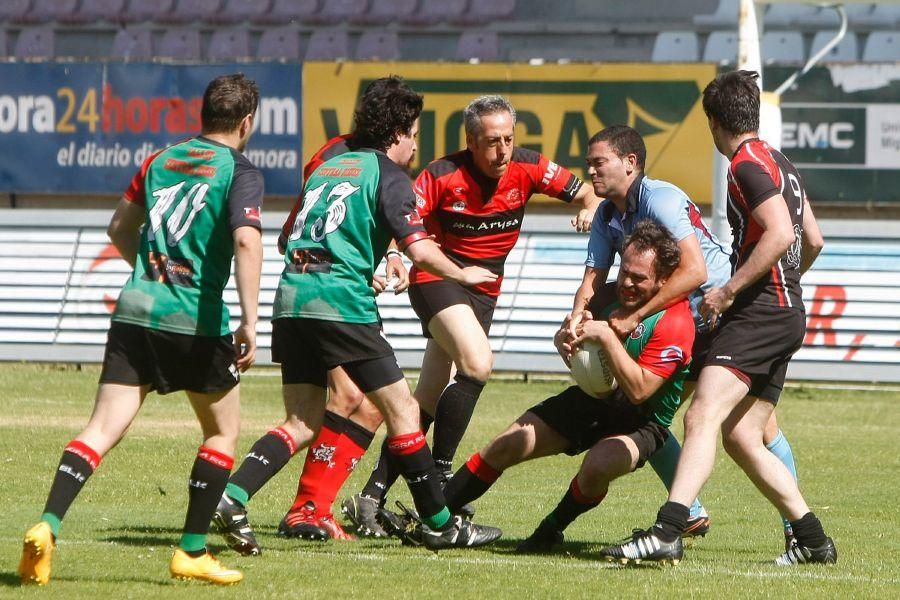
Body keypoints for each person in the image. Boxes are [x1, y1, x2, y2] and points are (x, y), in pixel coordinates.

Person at [212, 75, 503, 556]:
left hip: (291, 302)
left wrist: (358, 260)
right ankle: (440, 524)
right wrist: (463, 275)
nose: (416, 144)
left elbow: (289, 240)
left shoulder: (329, 167)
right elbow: (421, 250)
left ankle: (232, 495)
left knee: (302, 421)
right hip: (341, 308)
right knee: (404, 410)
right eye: (414, 133)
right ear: (397, 133)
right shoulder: (390, 175)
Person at [18, 73, 264, 586]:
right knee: (222, 431)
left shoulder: (160, 160)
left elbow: (117, 229)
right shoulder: (239, 171)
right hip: (194, 319)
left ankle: (48, 524)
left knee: (101, 429)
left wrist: (151, 273)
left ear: (203, 116)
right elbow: (246, 242)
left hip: (136, 309)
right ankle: (191, 552)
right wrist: (248, 319)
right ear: (246, 122)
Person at [599, 70, 834, 566]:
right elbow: (812, 239)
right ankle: (812, 540)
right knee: (745, 436)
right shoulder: (780, 162)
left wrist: (733, 289)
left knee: (700, 413)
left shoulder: (745, 165)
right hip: (785, 310)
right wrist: (783, 286)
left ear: (713, 121)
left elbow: (780, 236)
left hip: (761, 312)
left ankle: (668, 528)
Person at [342, 94, 601, 537]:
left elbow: (587, 189)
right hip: (437, 279)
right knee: (478, 364)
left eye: (508, 139)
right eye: (491, 142)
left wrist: (590, 206)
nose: (502, 151)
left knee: (424, 397)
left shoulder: (530, 166)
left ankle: (371, 496)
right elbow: (400, 222)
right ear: (470, 140)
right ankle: (440, 475)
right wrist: (394, 258)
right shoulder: (441, 174)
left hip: (484, 289)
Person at [561, 125, 810, 548]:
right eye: (589, 162)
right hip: (680, 317)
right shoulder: (606, 214)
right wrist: (574, 322)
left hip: (717, 312)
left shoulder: (661, 198)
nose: (590, 169)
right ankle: (701, 516)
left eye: (598, 161)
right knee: (652, 408)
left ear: (630, 163)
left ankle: (788, 528)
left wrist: (633, 316)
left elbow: (695, 272)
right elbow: (592, 279)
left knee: (748, 424)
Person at [422, 221, 694, 553]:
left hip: (643, 420)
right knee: (506, 444)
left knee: (598, 465)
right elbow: (579, 348)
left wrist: (607, 338)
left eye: (639, 278)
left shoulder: (676, 322)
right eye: (625, 272)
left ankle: (551, 529)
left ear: (664, 280)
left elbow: (640, 391)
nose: (627, 283)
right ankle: (435, 519)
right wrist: (565, 342)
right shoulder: (608, 296)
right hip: (592, 402)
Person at [272, 127, 409, 542]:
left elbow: (366, 218)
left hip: (337, 293)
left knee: (366, 407)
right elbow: (300, 230)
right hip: (330, 298)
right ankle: (304, 508)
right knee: (351, 401)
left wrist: (386, 255)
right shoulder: (334, 155)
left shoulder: (378, 160)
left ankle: (312, 508)